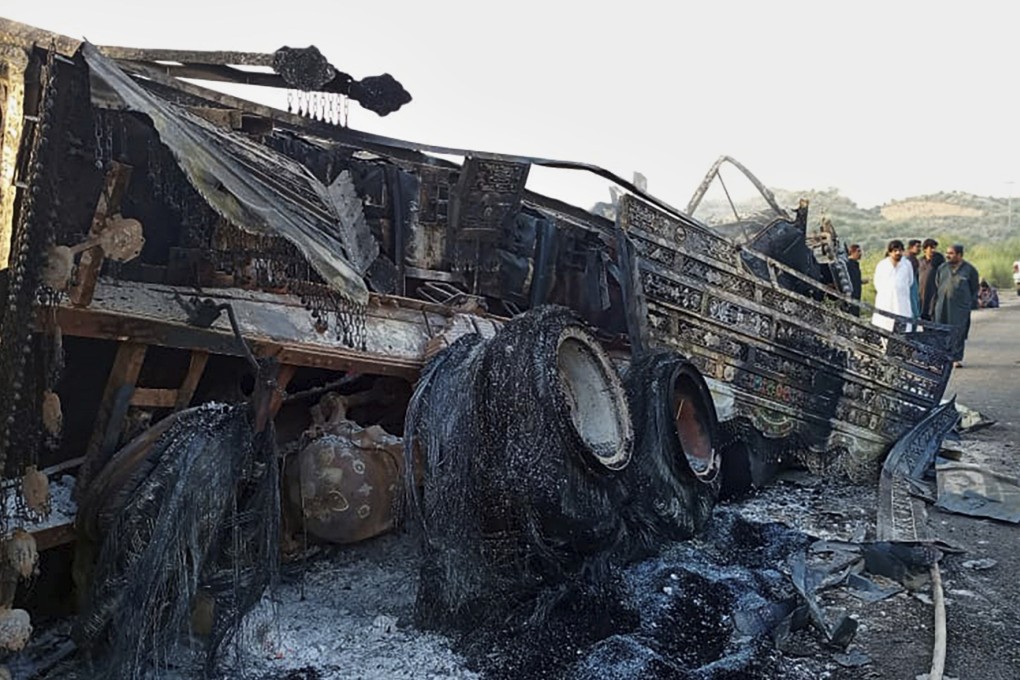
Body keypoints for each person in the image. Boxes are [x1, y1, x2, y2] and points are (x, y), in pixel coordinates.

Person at [934, 244, 980, 367]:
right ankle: (943, 357)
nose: (947, 255)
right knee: (941, 331)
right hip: (942, 305)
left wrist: (970, 304)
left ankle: (955, 358)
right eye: (947, 253)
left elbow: (974, 288)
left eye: (951, 253)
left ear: (959, 255)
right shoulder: (942, 268)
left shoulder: (969, 270)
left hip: (960, 307)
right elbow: (937, 284)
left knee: (958, 332)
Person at [871, 239, 914, 331]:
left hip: (902, 301)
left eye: (900, 250)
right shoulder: (882, 265)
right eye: (895, 251)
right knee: (884, 326)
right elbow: (877, 283)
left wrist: (899, 289)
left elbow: (910, 281)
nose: (898, 253)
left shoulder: (907, 264)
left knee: (903, 328)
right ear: (890, 252)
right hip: (886, 302)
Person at [917, 238, 945, 320]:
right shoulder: (920, 261)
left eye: (934, 248)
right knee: (923, 317)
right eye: (931, 248)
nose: (933, 250)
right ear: (925, 249)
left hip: (934, 293)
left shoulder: (938, 261)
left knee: (933, 316)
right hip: (922, 294)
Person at [844, 243, 864, 316]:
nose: (860, 253)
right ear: (852, 252)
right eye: (858, 251)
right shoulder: (849, 265)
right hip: (852, 296)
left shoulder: (854, 264)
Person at [906, 239, 922, 319]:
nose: (920, 249)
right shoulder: (909, 259)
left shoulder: (913, 259)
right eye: (917, 247)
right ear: (911, 247)